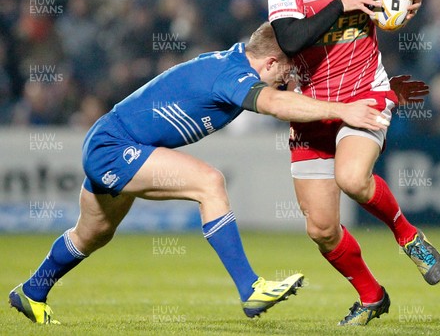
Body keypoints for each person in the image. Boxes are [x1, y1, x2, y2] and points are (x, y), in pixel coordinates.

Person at [8, 22, 390, 325]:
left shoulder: (231, 63)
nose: (287, 79)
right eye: (286, 70)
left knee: (91, 235)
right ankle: (250, 288)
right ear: (270, 62)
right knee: (210, 183)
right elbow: (275, 103)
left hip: (112, 143)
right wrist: (343, 111)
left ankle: (31, 292)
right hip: (115, 148)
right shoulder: (233, 74)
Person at [266, 0, 440, 326]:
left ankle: (407, 236)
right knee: (321, 229)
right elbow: (290, 38)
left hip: (365, 94)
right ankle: (371, 295)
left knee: (351, 177)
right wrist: (342, 4)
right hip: (310, 108)